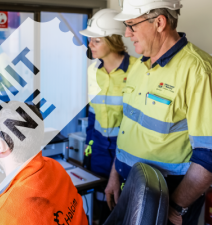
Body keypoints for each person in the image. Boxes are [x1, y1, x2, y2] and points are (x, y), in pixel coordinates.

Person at [105, 1, 212, 225]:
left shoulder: (201, 72)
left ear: (159, 23)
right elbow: (129, 128)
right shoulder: (138, 66)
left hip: (165, 199)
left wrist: (175, 207)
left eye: (132, 25)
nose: (127, 33)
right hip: (129, 187)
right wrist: (115, 174)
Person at [79, 8, 137, 224]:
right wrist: (89, 148)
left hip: (127, 149)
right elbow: (92, 115)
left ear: (112, 41)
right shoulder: (93, 70)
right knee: (99, 201)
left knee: (122, 203)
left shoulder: (136, 70)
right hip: (99, 147)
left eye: (95, 41)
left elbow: (135, 122)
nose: (90, 45)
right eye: (90, 40)